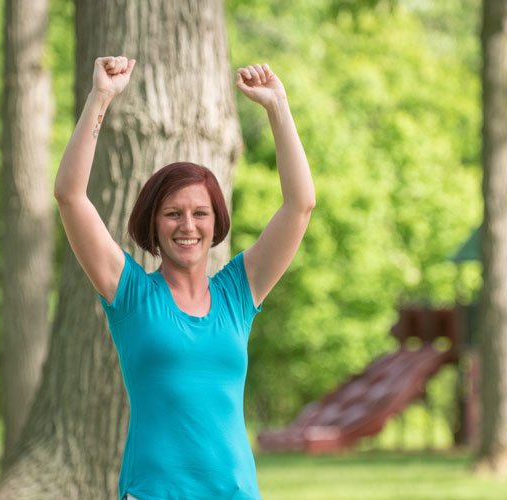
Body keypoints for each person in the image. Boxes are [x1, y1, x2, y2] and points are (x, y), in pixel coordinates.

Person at [54, 56, 315, 500]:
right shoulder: (131, 293)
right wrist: (100, 98)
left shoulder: (239, 291)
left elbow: (300, 204)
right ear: (153, 224)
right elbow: (69, 196)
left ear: (217, 223)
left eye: (200, 213)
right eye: (173, 214)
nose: (187, 226)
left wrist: (278, 107)